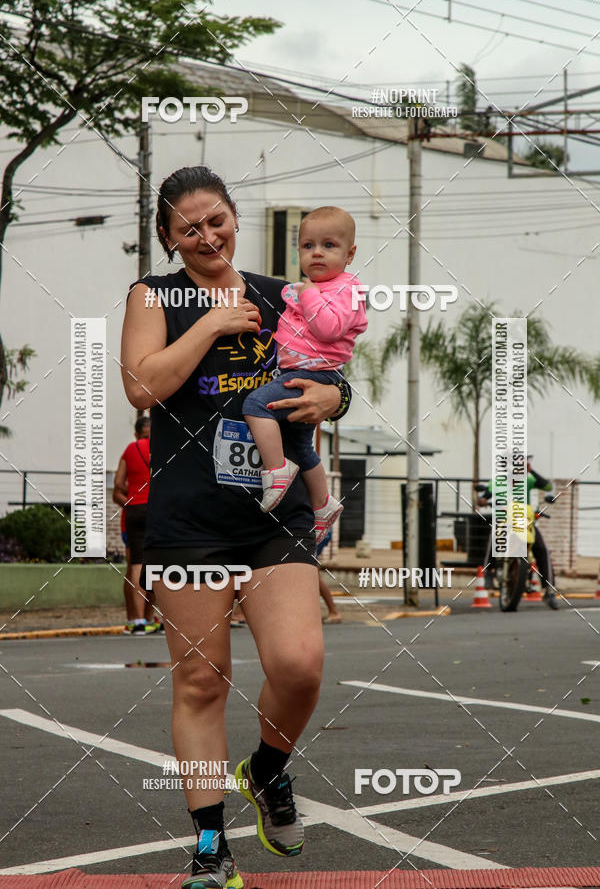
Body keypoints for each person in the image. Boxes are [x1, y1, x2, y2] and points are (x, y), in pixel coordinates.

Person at [120, 165, 353, 889]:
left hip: (273, 512)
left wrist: (334, 399)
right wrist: (212, 322)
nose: (206, 235)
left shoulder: (284, 294)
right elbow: (140, 385)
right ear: (168, 237)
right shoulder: (154, 296)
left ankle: (269, 769)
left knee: (299, 664)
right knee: (201, 680)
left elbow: (331, 369)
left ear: (234, 218)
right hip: (189, 521)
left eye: (216, 219)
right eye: (188, 228)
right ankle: (210, 846)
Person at [241, 207, 367, 542]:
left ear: (350, 253)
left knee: (255, 405)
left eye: (329, 245)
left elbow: (328, 328)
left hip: (315, 375)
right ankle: (323, 504)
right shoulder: (313, 288)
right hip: (301, 372)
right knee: (301, 444)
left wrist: (308, 295)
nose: (317, 253)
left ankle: (276, 469)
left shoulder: (345, 289)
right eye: (308, 246)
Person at [479, 456, 558, 609]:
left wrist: (532, 471)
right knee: (494, 535)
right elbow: (485, 495)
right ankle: (488, 571)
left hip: (524, 521)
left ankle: (549, 590)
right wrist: (483, 500)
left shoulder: (527, 480)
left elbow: (547, 487)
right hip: (505, 520)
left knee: (542, 549)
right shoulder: (498, 482)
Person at [113, 416, 161, 633]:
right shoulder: (161, 448)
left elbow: (117, 483)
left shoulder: (130, 449)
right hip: (157, 508)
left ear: (136, 433)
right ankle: (150, 617)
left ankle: (138, 620)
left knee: (135, 564)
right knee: (156, 564)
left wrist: (133, 493)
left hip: (134, 510)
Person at [316, 528, 342, 624]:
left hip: (316, 530)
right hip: (319, 530)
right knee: (312, 573)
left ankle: (334, 612)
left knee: (313, 574)